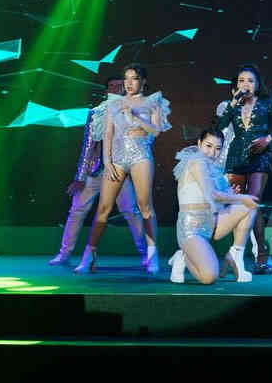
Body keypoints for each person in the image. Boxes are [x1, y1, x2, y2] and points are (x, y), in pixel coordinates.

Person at [74, 63, 170, 274]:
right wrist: (107, 162)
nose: (128, 83)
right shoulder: (114, 103)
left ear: (143, 81)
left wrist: (135, 117)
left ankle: (152, 254)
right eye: (126, 78)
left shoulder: (153, 102)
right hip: (117, 158)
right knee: (103, 209)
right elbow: (108, 134)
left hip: (140, 156)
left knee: (145, 206)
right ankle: (89, 254)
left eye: (134, 78)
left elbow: (155, 131)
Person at [48, 78, 147, 267]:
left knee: (131, 212)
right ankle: (64, 253)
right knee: (77, 211)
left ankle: (146, 253)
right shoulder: (95, 113)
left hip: (118, 171)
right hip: (95, 171)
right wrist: (80, 177)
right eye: (112, 86)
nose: (116, 88)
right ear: (106, 90)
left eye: (119, 86)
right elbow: (88, 146)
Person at [214, 65, 272, 273]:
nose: (245, 84)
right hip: (235, 158)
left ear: (257, 85)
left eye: (250, 80)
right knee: (237, 205)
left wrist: (269, 139)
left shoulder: (267, 103)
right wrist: (233, 103)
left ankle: (261, 256)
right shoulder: (233, 105)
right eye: (241, 81)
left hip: (259, 158)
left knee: (253, 203)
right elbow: (218, 128)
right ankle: (237, 253)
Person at [168, 129, 259, 284]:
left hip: (212, 223)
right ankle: (182, 256)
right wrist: (241, 197)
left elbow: (218, 199)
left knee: (249, 207)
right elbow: (212, 195)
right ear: (199, 144)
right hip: (191, 229)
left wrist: (233, 195)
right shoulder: (197, 162)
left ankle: (235, 254)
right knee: (209, 277)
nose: (212, 153)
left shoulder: (214, 168)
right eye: (208, 146)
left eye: (217, 148)